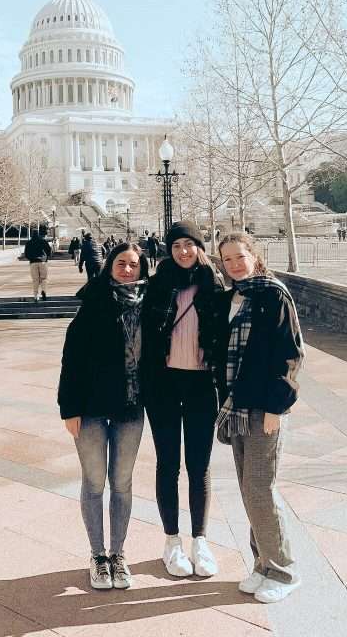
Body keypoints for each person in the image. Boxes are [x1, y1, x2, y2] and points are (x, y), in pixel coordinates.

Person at [214, 231, 304, 604]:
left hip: (263, 407)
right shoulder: (232, 296)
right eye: (228, 259)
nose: (235, 264)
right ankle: (262, 564)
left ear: (255, 255)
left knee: (260, 489)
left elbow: (290, 354)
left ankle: (283, 570)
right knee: (249, 490)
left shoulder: (273, 294)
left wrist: (276, 408)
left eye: (240, 256)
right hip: (235, 404)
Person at [58, 242, 149, 591]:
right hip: (92, 407)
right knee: (94, 482)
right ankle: (97, 555)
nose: (127, 270)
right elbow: (72, 359)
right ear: (110, 265)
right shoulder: (95, 301)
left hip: (131, 407)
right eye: (121, 263)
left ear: (142, 269)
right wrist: (70, 409)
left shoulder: (151, 305)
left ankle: (118, 553)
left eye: (134, 265)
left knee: (122, 483)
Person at [144, 220, 224, 578]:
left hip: (201, 384)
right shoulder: (157, 285)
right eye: (176, 246)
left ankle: (201, 541)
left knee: (199, 465)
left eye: (189, 245)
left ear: (200, 247)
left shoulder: (215, 286)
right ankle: (172, 540)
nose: (183, 252)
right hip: (163, 383)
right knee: (168, 464)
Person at [24, 229, 53, 302]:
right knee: (44, 278)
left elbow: (26, 254)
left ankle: (36, 296)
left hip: (33, 262)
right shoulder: (43, 241)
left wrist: (32, 258)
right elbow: (49, 250)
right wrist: (46, 257)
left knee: (35, 280)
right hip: (42, 262)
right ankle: (44, 291)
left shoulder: (29, 242)